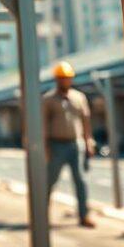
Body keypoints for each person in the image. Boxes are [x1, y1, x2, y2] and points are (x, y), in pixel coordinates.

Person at [43, 60, 96, 228]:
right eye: (61, 78)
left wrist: (89, 142)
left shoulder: (79, 98)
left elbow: (86, 121)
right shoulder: (48, 99)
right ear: (56, 79)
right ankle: (42, 216)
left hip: (76, 144)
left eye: (67, 78)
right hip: (56, 145)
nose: (64, 81)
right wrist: (45, 148)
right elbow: (43, 124)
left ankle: (83, 215)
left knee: (81, 180)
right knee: (50, 180)